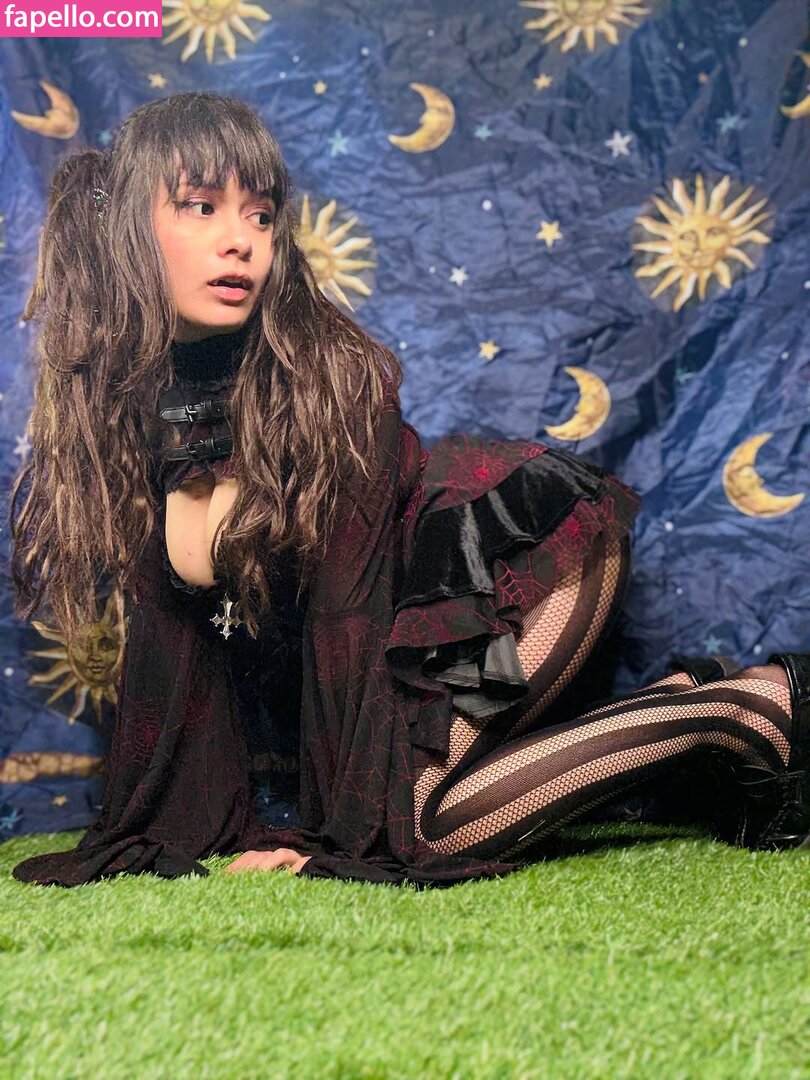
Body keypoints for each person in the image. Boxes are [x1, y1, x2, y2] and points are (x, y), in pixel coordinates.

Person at [8, 91, 808, 888]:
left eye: (261, 215)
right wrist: (154, 824)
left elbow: (346, 622)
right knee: (440, 803)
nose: (240, 241)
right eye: (200, 206)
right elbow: (177, 642)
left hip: (528, 574)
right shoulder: (127, 412)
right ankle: (686, 697)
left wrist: (337, 838)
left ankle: (747, 709)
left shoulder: (331, 382)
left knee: (424, 828)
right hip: (427, 639)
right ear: (126, 228)